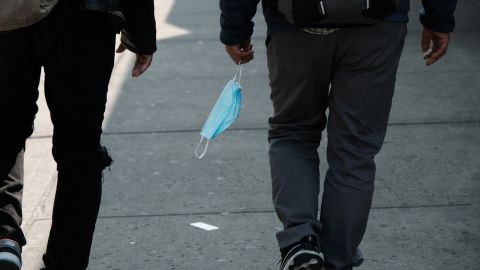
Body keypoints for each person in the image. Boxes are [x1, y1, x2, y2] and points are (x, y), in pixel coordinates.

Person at [219, 0, 457, 269]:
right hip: (377, 27)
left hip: (294, 27)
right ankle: (337, 259)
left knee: (293, 133)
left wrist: (235, 28)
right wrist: (439, 17)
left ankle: (300, 242)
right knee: (355, 150)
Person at [0, 0, 156, 269]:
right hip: (84, 16)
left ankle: (4, 236)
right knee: (79, 149)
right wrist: (141, 33)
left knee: (4, 132)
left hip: (8, 19)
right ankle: (66, 261)